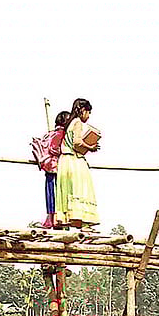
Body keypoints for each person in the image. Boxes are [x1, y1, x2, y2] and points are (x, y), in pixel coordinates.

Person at [55, 98, 100, 229]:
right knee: (80, 189)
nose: (88, 116)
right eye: (88, 112)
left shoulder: (69, 123)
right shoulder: (78, 122)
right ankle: (81, 221)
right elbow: (77, 143)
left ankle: (70, 219)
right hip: (74, 161)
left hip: (64, 161)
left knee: (69, 191)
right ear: (83, 110)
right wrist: (90, 147)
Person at [33, 111, 70, 228]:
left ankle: (53, 218)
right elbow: (54, 149)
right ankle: (54, 218)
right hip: (55, 167)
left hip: (50, 167)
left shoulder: (52, 133)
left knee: (51, 193)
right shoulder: (60, 134)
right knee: (57, 193)